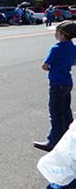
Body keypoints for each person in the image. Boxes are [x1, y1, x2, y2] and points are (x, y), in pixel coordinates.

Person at [33, 21, 76, 152]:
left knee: (55, 113)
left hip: (57, 83)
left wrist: (54, 67)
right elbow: (74, 61)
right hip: (67, 82)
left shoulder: (56, 48)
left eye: (57, 32)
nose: (55, 34)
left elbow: (45, 66)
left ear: (62, 34)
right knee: (66, 111)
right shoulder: (73, 47)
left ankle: (53, 141)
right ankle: (69, 137)